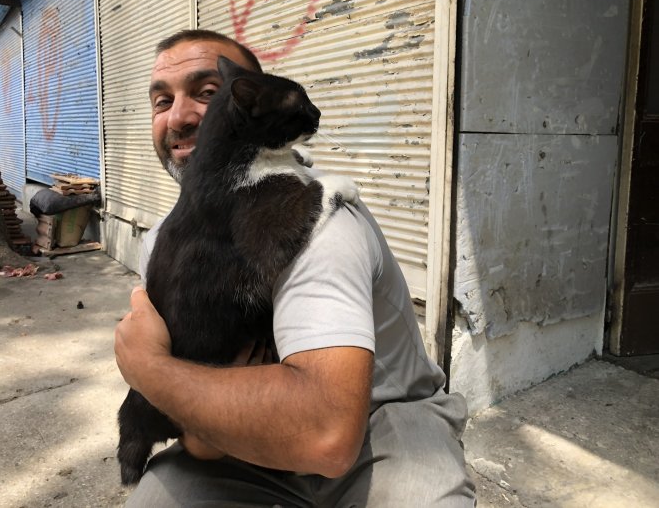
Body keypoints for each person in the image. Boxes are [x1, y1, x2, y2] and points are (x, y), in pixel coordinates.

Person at [114, 29, 476, 507]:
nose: (179, 116)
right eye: (162, 100)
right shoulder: (164, 238)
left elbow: (325, 433)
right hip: (236, 433)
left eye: (207, 93)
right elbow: (199, 440)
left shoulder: (318, 216)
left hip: (382, 420)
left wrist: (151, 370)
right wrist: (198, 407)